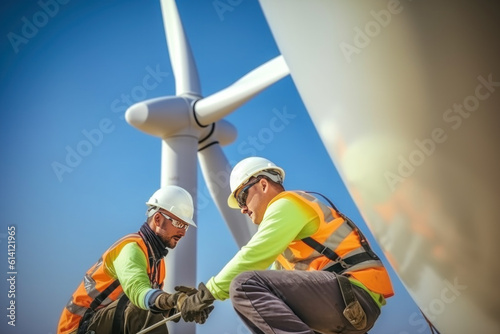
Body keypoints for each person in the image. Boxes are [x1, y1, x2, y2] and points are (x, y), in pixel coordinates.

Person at [177, 157, 395, 334]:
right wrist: (205, 299)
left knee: (244, 285)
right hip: (343, 305)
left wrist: (206, 294)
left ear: (263, 184)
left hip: (352, 296)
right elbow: (274, 288)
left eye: (243, 197)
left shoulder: (286, 205)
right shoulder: (287, 238)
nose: (243, 209)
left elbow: (253, 256)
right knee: (267, 305)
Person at [57, 185, 213, 334]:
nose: (183, 233)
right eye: (179, 223)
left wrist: (183, 305)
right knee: (139, 307)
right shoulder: (131, 248)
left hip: (104, 324)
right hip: (79, 328)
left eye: (185, 226)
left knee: (144, 308)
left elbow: (151, 305)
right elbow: (139, 294)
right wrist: (175, 299)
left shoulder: (158, 264)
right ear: (157, 219)